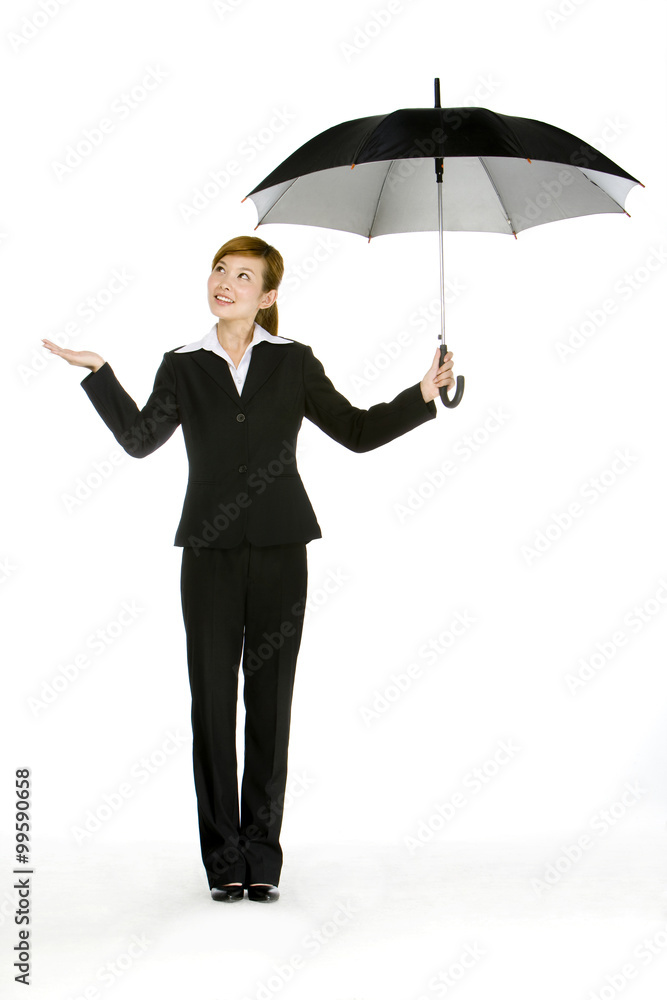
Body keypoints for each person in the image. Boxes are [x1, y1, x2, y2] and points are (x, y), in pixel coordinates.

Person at [42, 235, 455, 904]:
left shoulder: (293, 362)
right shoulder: (182, 365)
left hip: (280, 551)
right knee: (211, 707)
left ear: (267, 297)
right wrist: (99, 373)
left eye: (242, 275)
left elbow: (353, 431)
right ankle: (222, 860)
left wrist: (422, 393)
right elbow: (141, 440)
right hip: (206, 557)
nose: (223, 282)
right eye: (218, 270)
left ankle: (261, 857)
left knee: (269, 704)